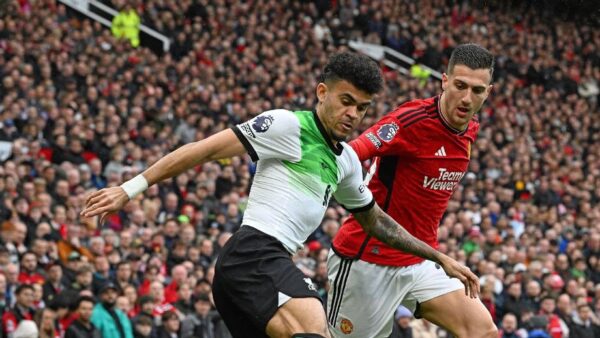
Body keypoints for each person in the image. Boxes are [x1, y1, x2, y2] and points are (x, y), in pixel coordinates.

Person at [81, 52, 478, 338]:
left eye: (362, 107)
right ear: (322, 92)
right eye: (346, 101)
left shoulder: (345, 164)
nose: (354, 114)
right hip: (252, 256)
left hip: (263, 268)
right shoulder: (288, 126)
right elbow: (205, 149)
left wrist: (438, 256)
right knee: (313, 323)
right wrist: (130, 188)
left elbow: (377, 222)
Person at [329, 44, 497, 338]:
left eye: (478, 90)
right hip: (368, 260)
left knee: (482, 331)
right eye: (460, 86)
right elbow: (350, 155)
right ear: (444, 81)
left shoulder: (469, 129)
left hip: (420, 261)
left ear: (488, 92)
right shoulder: (410, 121)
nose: (467, 98)